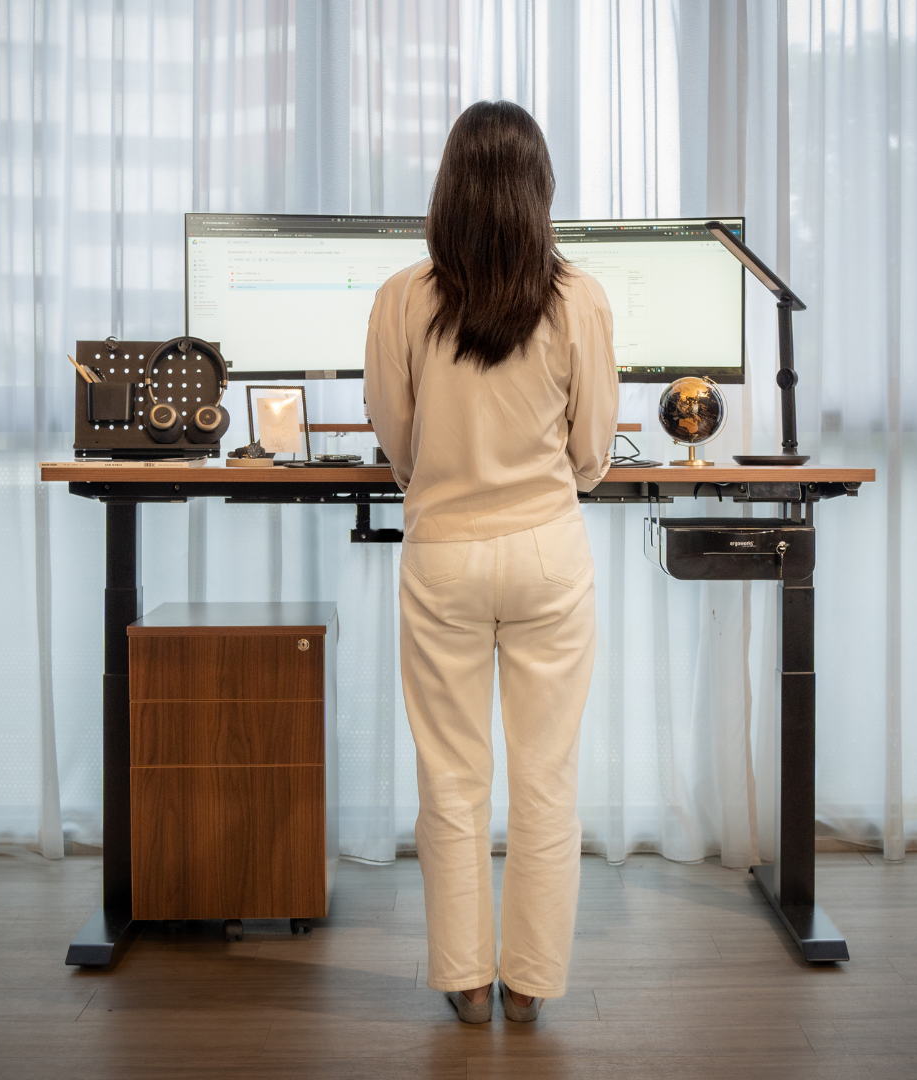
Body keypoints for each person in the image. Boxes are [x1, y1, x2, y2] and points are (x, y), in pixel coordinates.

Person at [364, 100, 618, 1024]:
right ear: (537, 190)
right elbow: (592, 449)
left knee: (452, 775)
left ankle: (466, 982)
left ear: (449, 190)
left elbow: (396, 438)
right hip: (548, 553)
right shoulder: (577, 298)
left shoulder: (403, 295)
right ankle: (533, 990)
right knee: (546, 776)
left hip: (443, 557)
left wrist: (429, 474)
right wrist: (564, 469)